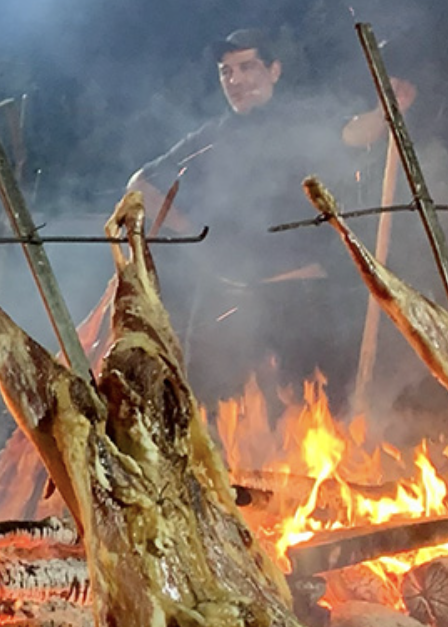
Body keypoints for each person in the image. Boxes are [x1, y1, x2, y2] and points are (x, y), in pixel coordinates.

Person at [126, 29, 410, 412]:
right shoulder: (211, 137)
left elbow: (354, 133)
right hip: (232, 307)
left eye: (247, 67)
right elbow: (140, 184)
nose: (235, 80)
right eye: (226, 72)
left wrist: (384, 111)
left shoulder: (300, 121)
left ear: (274, 70)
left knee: (316, 426)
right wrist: (193, 232)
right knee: (227, 425)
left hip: (303, 303)